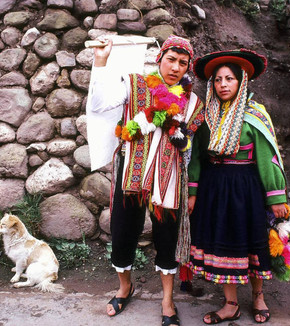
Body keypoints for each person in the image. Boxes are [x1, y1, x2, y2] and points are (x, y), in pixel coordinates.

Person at [87, 35, 204, 326]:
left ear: (187, 67)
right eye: (171, 60)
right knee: (123, 231)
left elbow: (195, 150)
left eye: (182, 62)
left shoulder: (193, 104)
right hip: (132, 175)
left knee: (167, 239)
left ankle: (167, 300)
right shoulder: (135, 84)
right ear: (159, 59)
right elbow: (100, 103)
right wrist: (101, 60)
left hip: (171, 180)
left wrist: (192, 188)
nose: (176, 67)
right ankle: (125, 287)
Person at [187, 49, 289, 324]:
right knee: (223, 244)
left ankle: (258, 297)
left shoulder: (254, 114)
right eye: (218, 80)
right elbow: (196, 156)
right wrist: (193, 191)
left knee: (252, 241)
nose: (223, 85)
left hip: (246, 189)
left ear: (241, 81)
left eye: (229, 78)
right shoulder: (205, 116)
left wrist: (276, 196)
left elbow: (268, 158)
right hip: (214, 190)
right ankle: (230, 303)